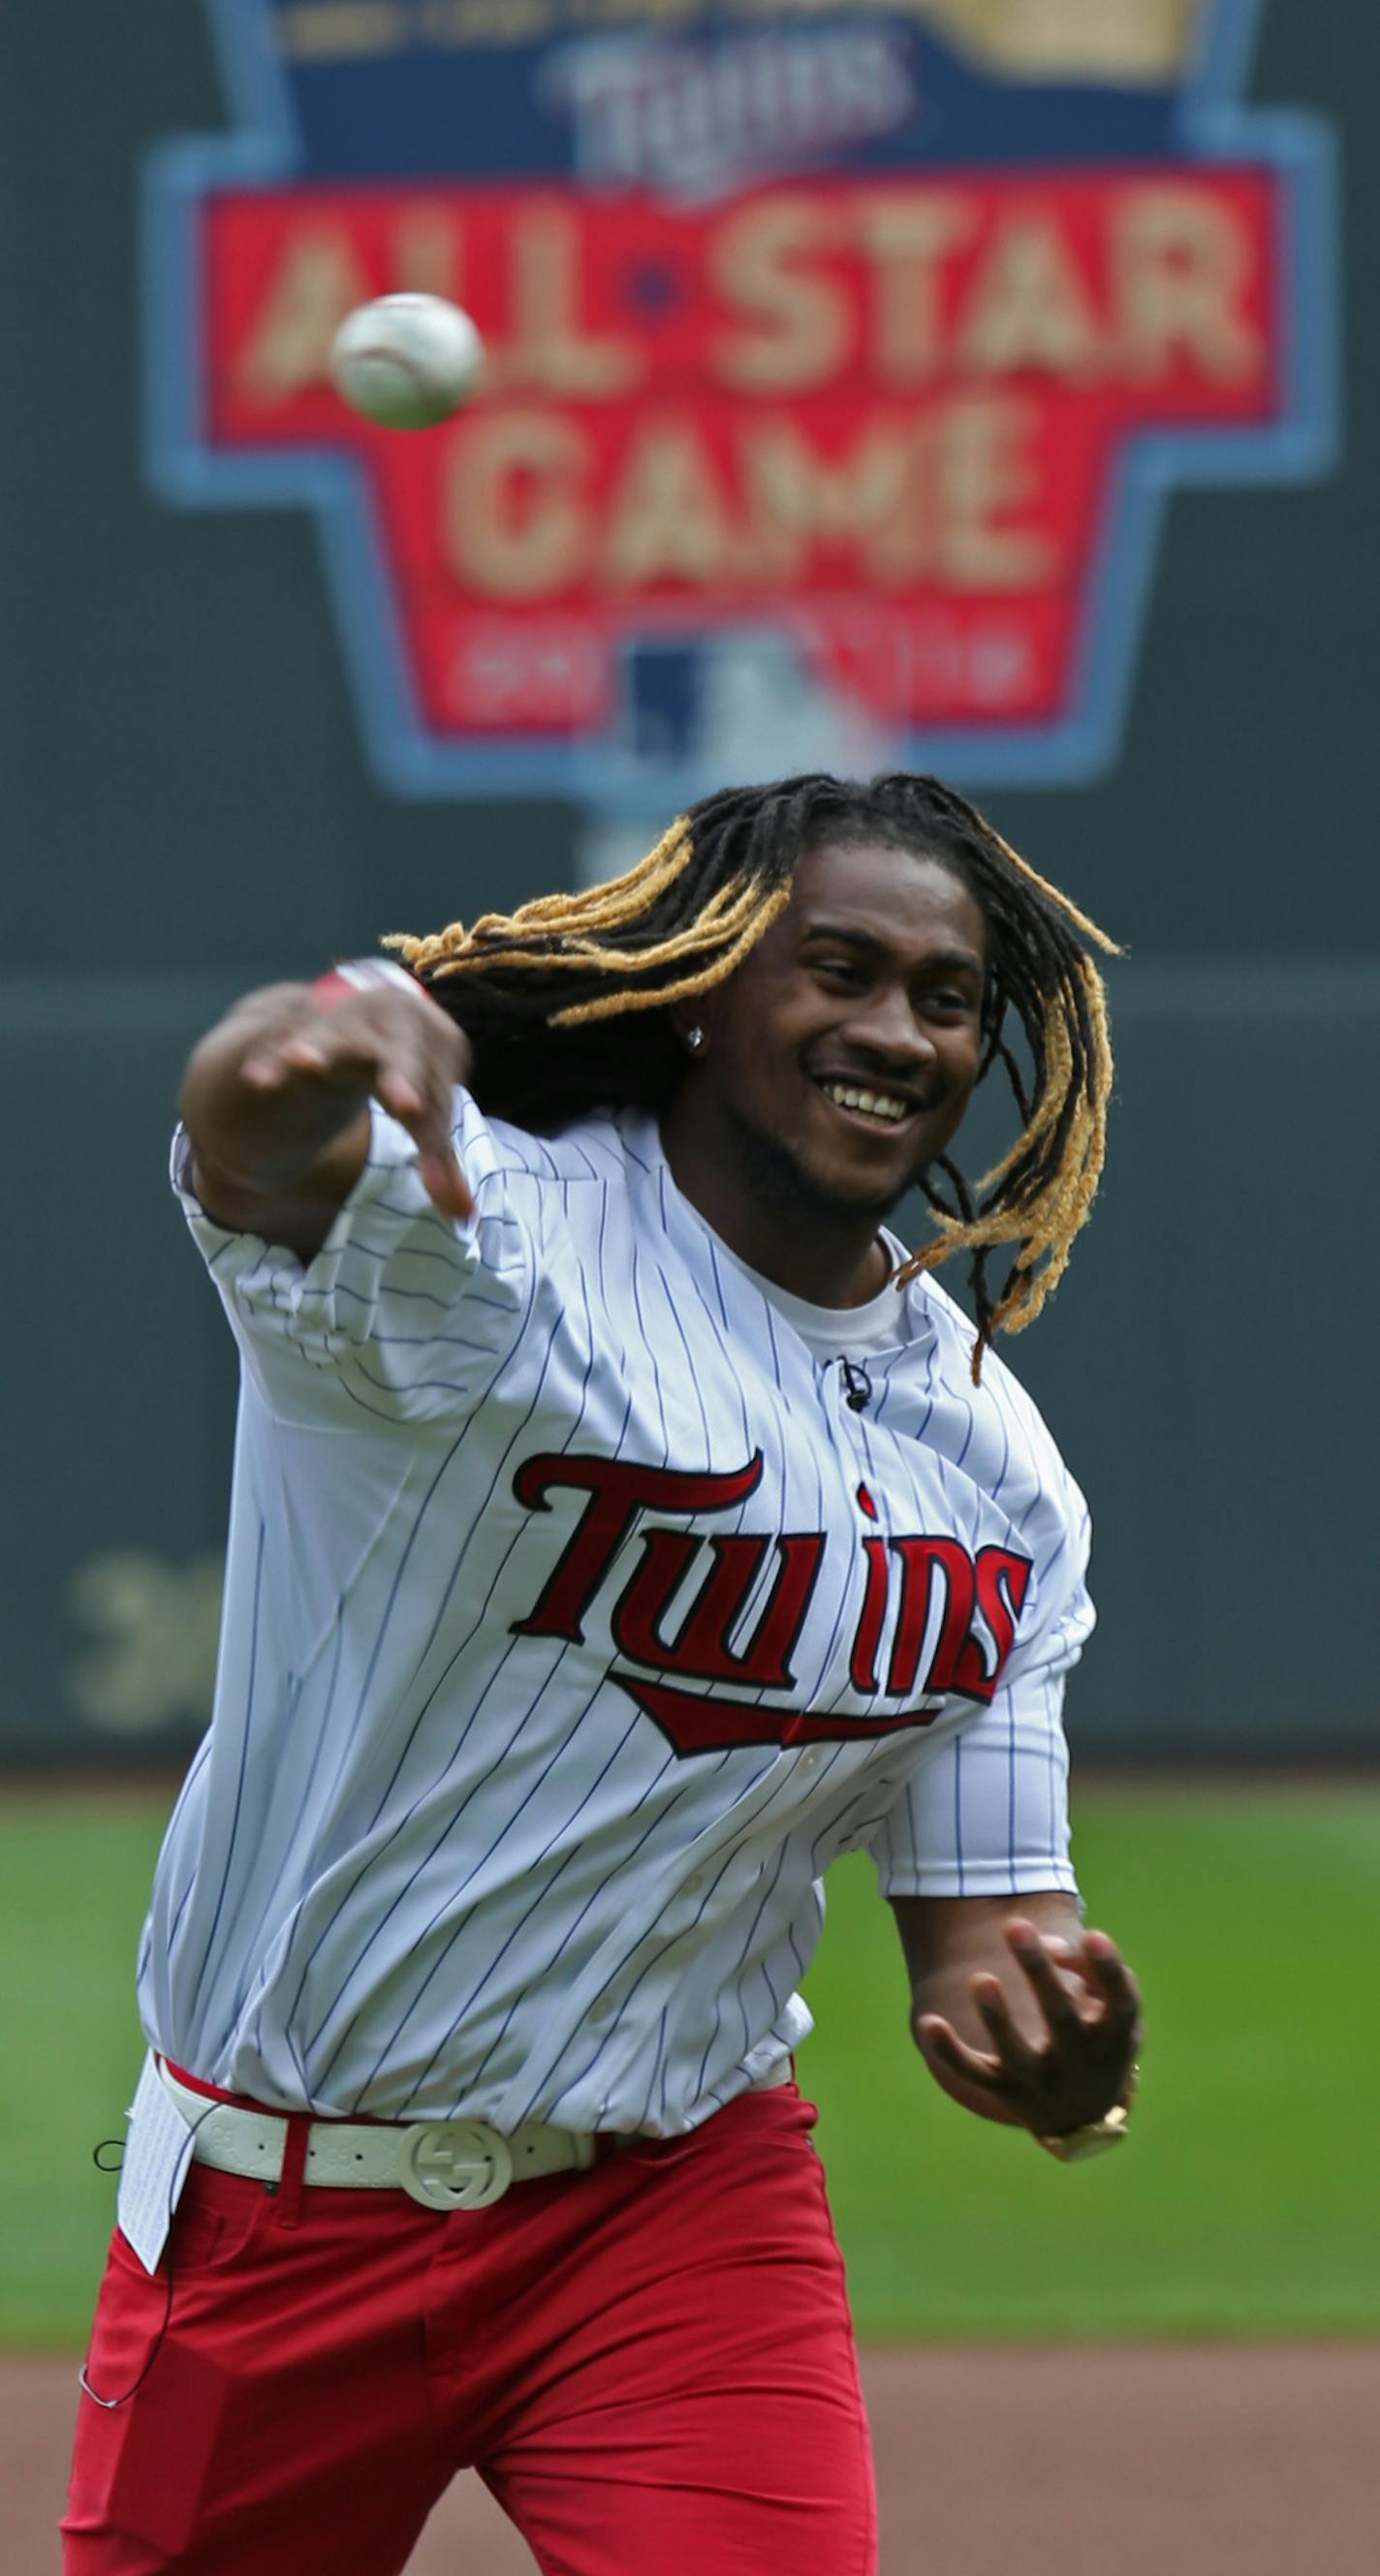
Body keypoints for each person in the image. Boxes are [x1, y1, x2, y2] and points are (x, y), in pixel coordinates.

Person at [64, 770, 1142, 2576]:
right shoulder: (481, 1228)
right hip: (279, 2205)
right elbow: (248, 1136)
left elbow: (985, 1938)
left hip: (671, 2208)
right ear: (713, 986)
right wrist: (331, 1033)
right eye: (839, 969)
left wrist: (1052, 2061)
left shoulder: (1003, 1482)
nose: (893, 1028)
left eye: (943, 996)